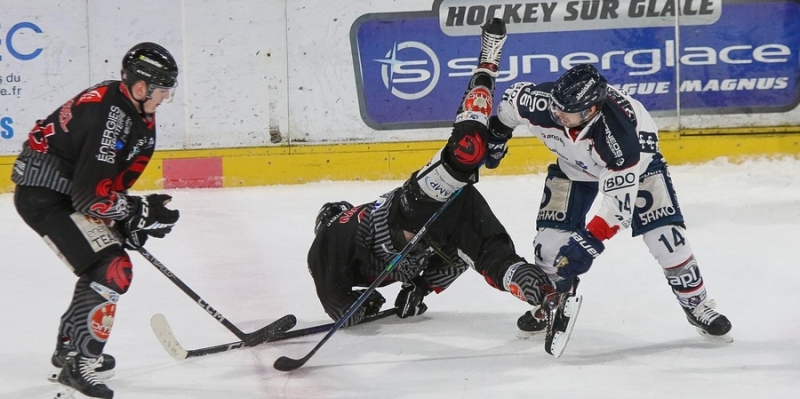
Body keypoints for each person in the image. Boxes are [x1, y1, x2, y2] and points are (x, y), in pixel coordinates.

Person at [308, 17, 558, 334]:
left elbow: (338, 307)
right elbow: (454, 261)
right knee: (494, 260)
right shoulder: (349, 241)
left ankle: (488, 62)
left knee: (467, 150)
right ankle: (548, 297)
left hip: (413, 207)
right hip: (449, 218)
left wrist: (364, 306)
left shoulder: (331, 232)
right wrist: (422, 287)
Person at [485, 63, 733, 342]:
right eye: (556, 106)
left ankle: (696, 305)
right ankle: (552, 301)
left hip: (639, 169)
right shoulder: (540, 103)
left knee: (667, 239)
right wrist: (497, 135)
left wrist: (589, 243)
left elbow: (618, 207)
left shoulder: (621, 138)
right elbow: (509, 104)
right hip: (572, 168)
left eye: (566, 111)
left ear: (590, 110)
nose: (557, 114)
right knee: (548, 247)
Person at [11, 42, 181, 399]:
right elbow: (91, 199)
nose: (166, 97)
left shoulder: (128, 107)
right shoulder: (108, 117)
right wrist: (137, 212)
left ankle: (69, 350)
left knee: (103, 263)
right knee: (111, 268)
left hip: (65, 192)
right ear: (141, 87)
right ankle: (78, 369)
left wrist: (126, 217)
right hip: (45, 196)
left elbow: (105, 184)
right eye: (162, 90)